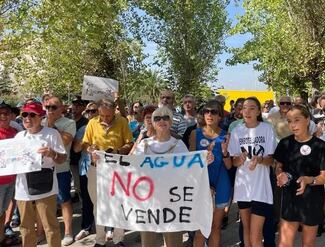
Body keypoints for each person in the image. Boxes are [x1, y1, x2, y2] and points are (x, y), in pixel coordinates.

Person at [274, 104, 325, 247]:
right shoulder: (285, 143)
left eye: (297, 120)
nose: (293, 125)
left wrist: (309, 180)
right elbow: (279, 166)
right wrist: (280, 174)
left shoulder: (320, 146)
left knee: (308, 244)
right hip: (290, 199)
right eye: (289, 121)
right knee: (284, 243)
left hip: (312, 199)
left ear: (307, 120)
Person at [132, 106, 188, 247]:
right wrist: (102, 158)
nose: (162, 120)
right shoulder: (144, 145)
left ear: (171, 122)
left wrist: (205, 161)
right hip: (148, 202)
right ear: (152, 122)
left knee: (174, 242)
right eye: (157, 118)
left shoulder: (179, 145)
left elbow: (190, 170)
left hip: (172, 202)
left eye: (166, 117)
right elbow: (131, 168)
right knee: (148, 242)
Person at [81, 98, 133, 247]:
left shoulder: (122, 121)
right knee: (97, 205)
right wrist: (90, 149)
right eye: (102, 115)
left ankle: (118, 239)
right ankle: (100, 239)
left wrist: (117, 151)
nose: (105, 119)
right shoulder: (92, 123)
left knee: (118, 203)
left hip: (117, 169)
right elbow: (85, 143)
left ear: (114, 111)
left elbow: (130, 143)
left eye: (108, 116)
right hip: (96, 168)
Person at [14, 101, 67, 247]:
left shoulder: (52, 134)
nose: (27, 118)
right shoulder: (19, 137)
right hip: (23, 189)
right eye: (24, 114)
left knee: (50, 227)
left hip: (46, 187)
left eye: (32, 115)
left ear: (41, 117)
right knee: (26, 228)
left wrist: (52, 153)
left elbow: (63, 158)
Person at [228, 97, 276, 247]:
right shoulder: (236, 131)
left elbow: (271, 160)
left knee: (256, 236)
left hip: (261, 187)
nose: (247, 111)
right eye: (244, 108)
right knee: (246, 230)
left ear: (259, 111)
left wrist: (260, 160)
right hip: (243, 187)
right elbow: (233, 162)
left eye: (252, 108)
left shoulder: (267, 129)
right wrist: (239, 159)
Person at [189, 100, 232, 247]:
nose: (209, 114)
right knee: (201, 228)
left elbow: (229, 165)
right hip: (202, 183)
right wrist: (202, 160)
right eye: (206, 111)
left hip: (221, 182)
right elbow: (190, 165)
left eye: (213, 112)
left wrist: (225, 153)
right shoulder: (195, 134)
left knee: (215, 227)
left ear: (220, 116)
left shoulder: (226, 136)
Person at [43, 96, 76, 246]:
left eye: (53, 107)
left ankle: (68, 232)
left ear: (62, 108)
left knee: (64, 201)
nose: (50, 110)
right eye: (47, 107)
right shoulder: (40, 121)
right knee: (45, 203)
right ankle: (44, 232)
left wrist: (50, 125)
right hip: (43, 170)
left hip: (61, 169)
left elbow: (64, 141)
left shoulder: (69, 123)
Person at [72, 102, 97, 242]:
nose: (91, 114)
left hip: (103, 170)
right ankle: (86, 227)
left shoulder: (105, 128)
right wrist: (85, 137)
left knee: (104, 200)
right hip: (85, 169)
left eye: (94, 111)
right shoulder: (82, 129)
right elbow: (76, 149)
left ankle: (109, 229)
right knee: (87, 200)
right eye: (88, 111)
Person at [0, 101, 20, 247]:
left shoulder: (15, 133)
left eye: (6, 113)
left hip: (12, 179)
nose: (3, 116)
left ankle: (1, 238)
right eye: (0, 113)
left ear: (11, 116)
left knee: (3, 212)